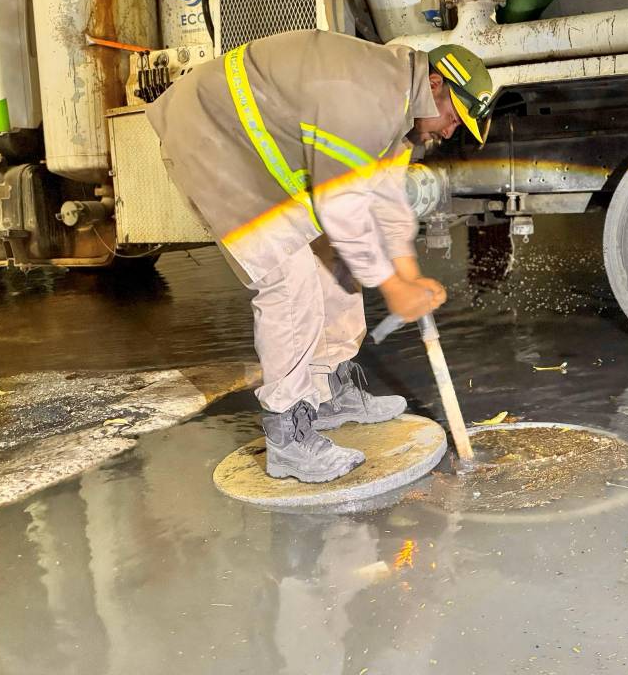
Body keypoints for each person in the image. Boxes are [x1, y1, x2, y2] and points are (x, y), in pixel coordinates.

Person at [145, 31, 493, 483]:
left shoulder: (401, 113)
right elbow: (343, 209)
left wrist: (408, 276)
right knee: (289, 278)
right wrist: (394, 289)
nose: (449, 131)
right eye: (454, 118)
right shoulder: (369, 99)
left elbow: (386, 204)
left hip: (252, 141)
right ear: (434, 84)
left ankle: (327, 391)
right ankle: (288, 437)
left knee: (335, 258)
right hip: (210, 135)